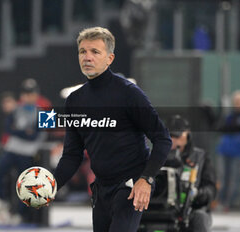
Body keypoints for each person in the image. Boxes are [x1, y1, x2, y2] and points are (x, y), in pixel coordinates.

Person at [52, 27, 172, 232]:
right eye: (82, 51)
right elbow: (72, 155)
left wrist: (146, 179)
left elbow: (163, 139)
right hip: (101, 189)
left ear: (110, 58)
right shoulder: (75, 101)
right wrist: (51, 186)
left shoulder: (129, 94)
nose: (87, 57)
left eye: (95, 52)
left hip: (131, 185)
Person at [0, 82, 44, 225]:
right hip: (12, 149)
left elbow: (37, 136)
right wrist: (25, 132)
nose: (27, 97)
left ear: (36, 95)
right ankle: (0, 200)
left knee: (25, 184)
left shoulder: (45, 112)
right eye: (25, 93)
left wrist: (19, 131)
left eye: (30, 93)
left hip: (28, 152)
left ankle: (20, 213)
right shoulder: (16, 110)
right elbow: (8, 128)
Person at [167, 115, 217, 232]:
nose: (173, 140)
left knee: (199, 218)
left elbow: (211, 189)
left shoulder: (201, 157)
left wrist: (196, 193)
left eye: (177, 136)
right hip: (163, 207)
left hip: (192, 208)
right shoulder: (157, 157)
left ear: (187, 134)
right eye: (170, 136)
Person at [217, 90, 240, 211]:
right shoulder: (229, 116)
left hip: (238, 152)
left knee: (233, 179)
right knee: (223, 177)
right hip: (225, 150)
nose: (237, 104)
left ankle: (229, 203)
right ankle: (221, 201)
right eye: (236, 101)